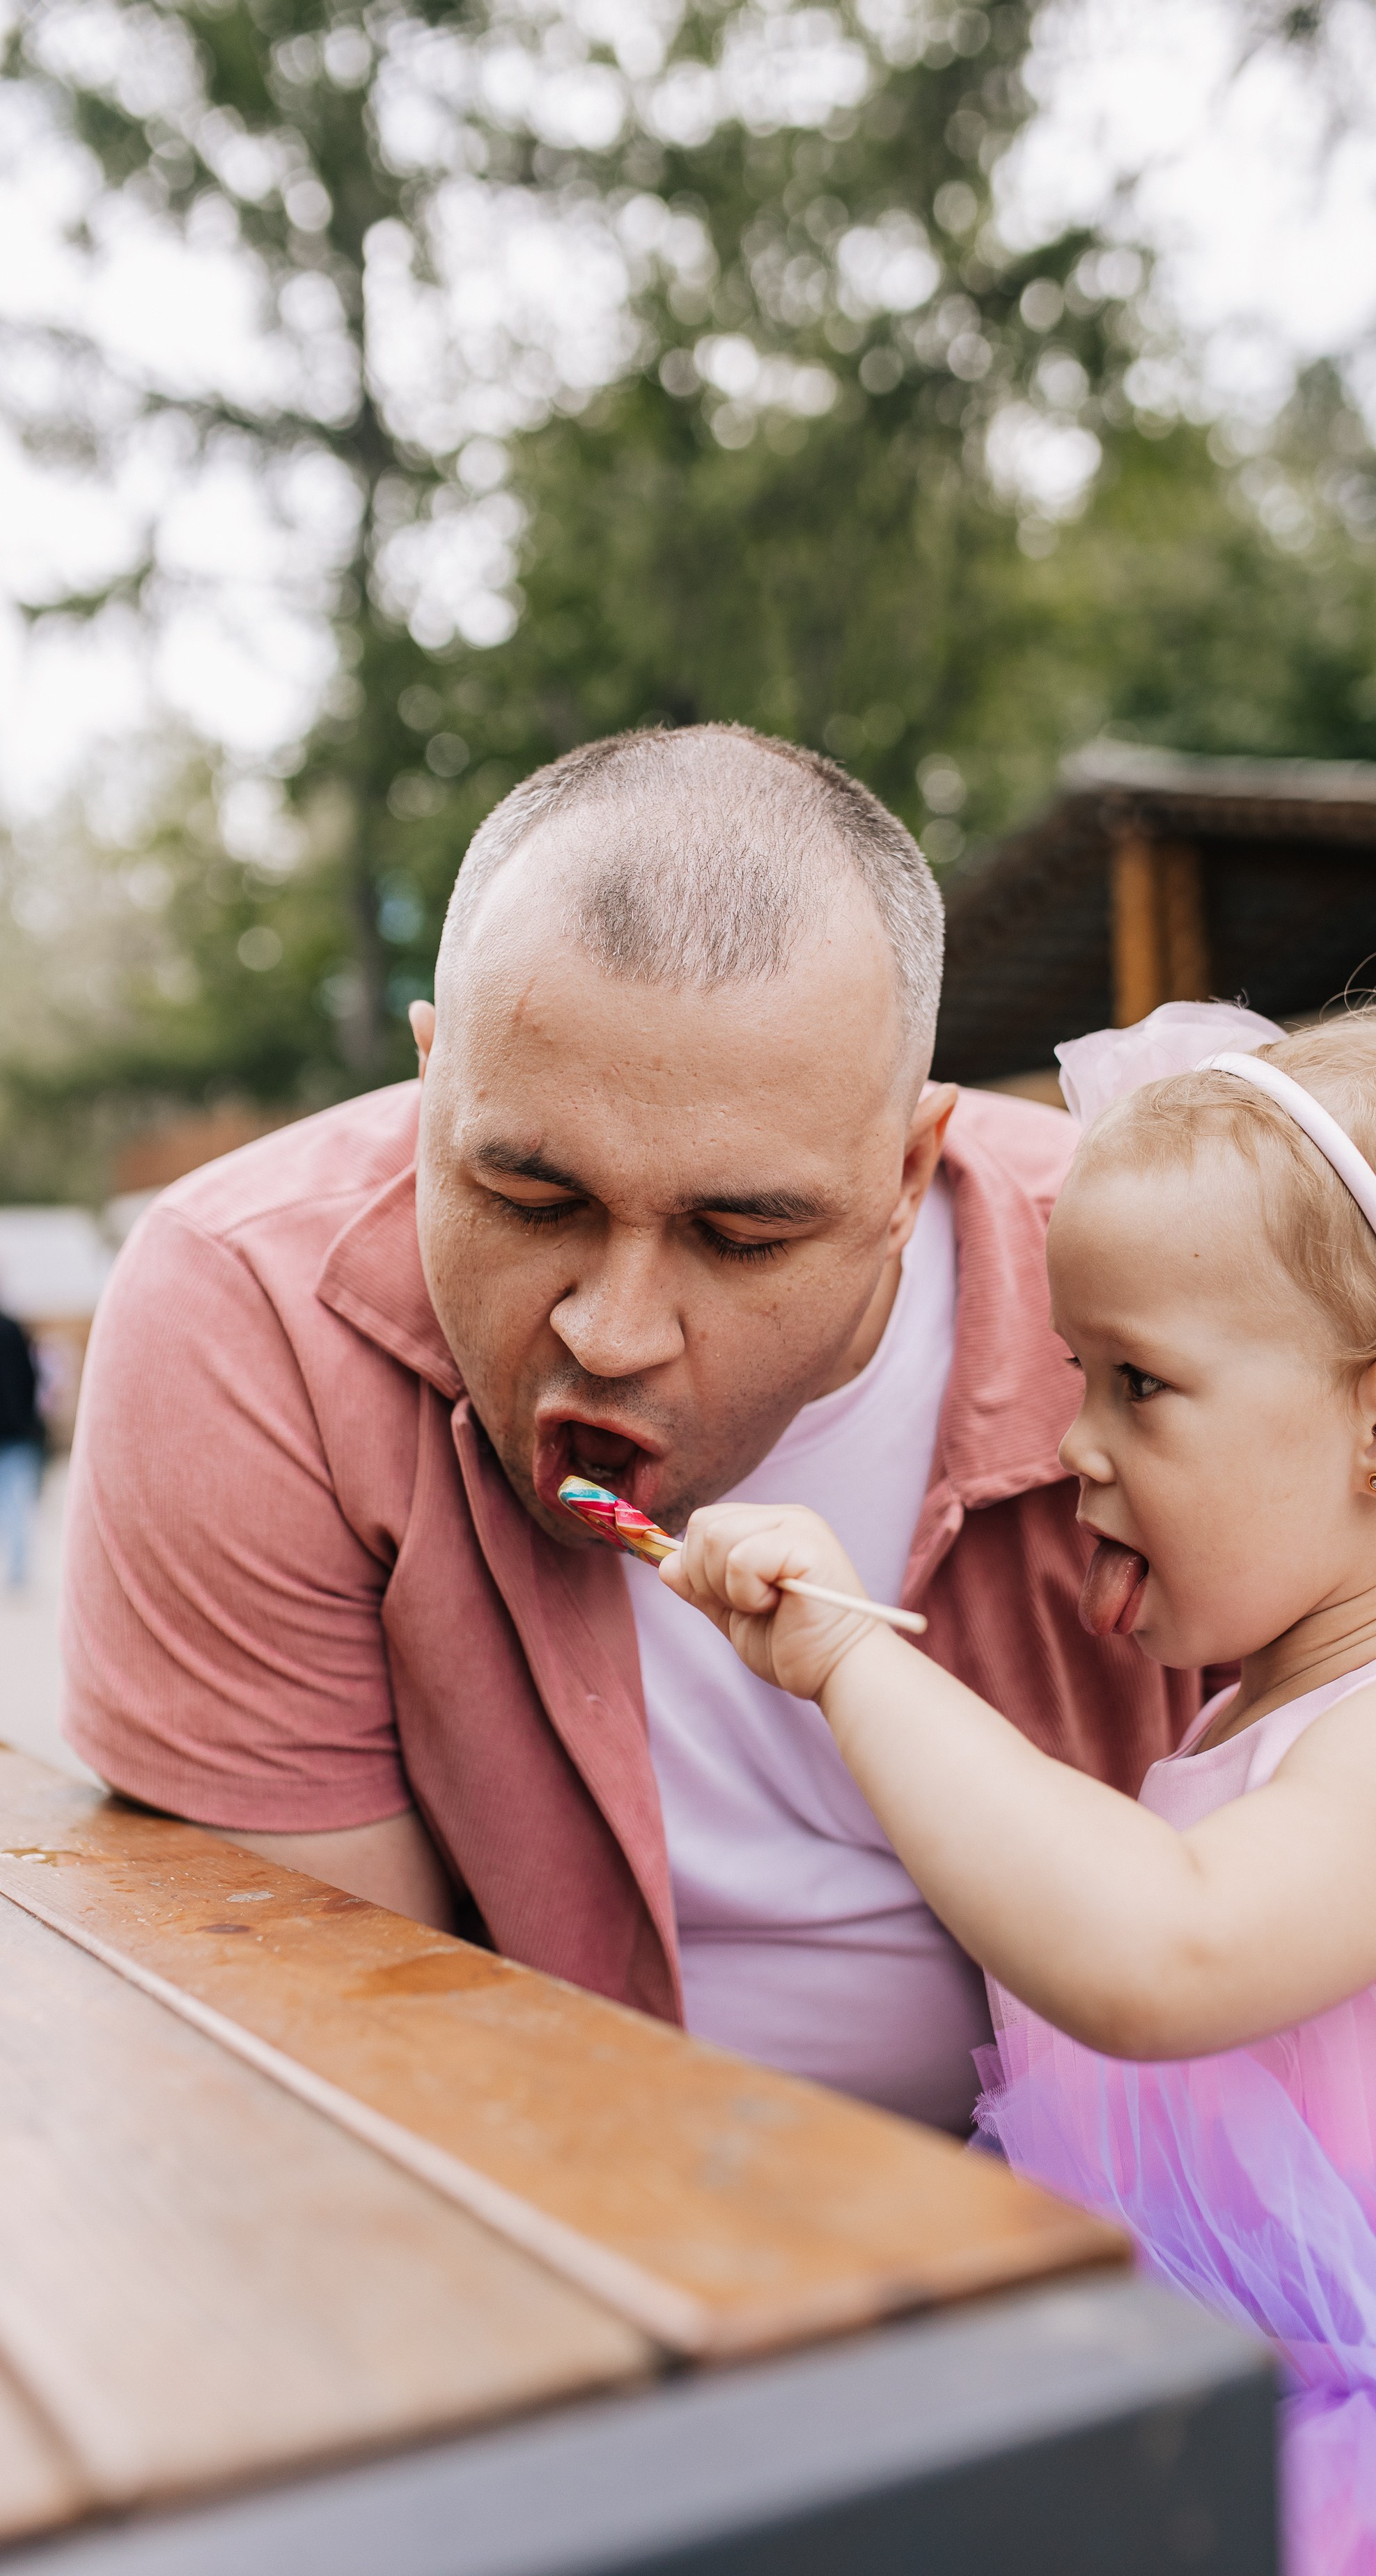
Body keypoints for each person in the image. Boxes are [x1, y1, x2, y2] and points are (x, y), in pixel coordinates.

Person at [662, 996, 1376, 2572]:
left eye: (1139, 1385)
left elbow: (1157, 1955)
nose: (1075, 1442)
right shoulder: (1243, 1720)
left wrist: (851, 1664)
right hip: (1235, 2417)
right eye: (1076, 1369)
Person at [60, 725, 1206, 2133]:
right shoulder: (251, 1311)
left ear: (908, 1170)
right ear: (433, 1089)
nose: (611, 1330)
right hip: (533, 2218)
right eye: (532, 1201)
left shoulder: (1177, 1301)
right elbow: (333, 2063)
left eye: (741, 1234)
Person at [0, 1298, 45, 1593]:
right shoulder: (15, 1330)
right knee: (17, 1504)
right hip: (18, 1430)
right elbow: (32, 1378)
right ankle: (17, 1571)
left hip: (15, 1431)